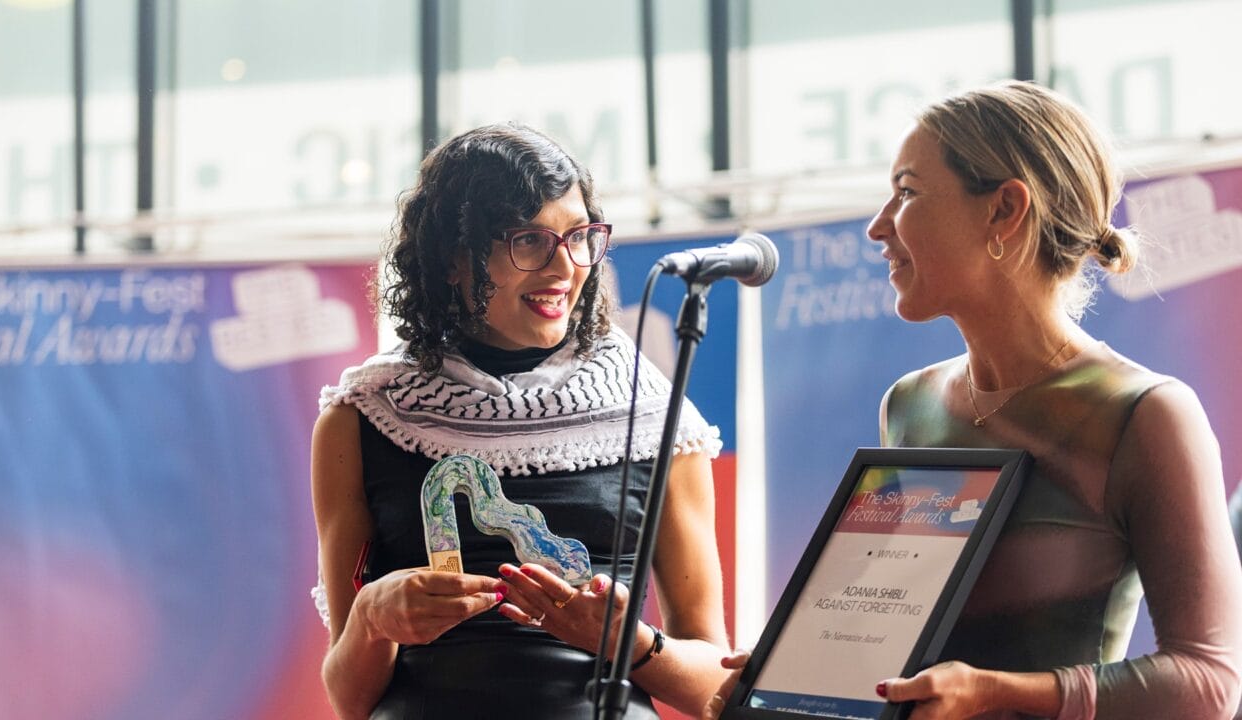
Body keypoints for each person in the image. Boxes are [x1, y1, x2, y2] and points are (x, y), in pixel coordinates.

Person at [704, 81, 1242, 720]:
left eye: (906, 192)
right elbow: (895, 629)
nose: (879, 226)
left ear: (1004, 211)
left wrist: (997, 694)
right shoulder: (909, 403)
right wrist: (801, 661)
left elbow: (1210, 682)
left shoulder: (1146, 414)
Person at [310, 123, 731, 720]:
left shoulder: (652, 412)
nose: (565, 267)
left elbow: (717, 686)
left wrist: (633, 647)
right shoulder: (364, 417)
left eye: (580, 237)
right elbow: (349, 699)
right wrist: (374, 619)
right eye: (530, 241)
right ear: (455, 260)